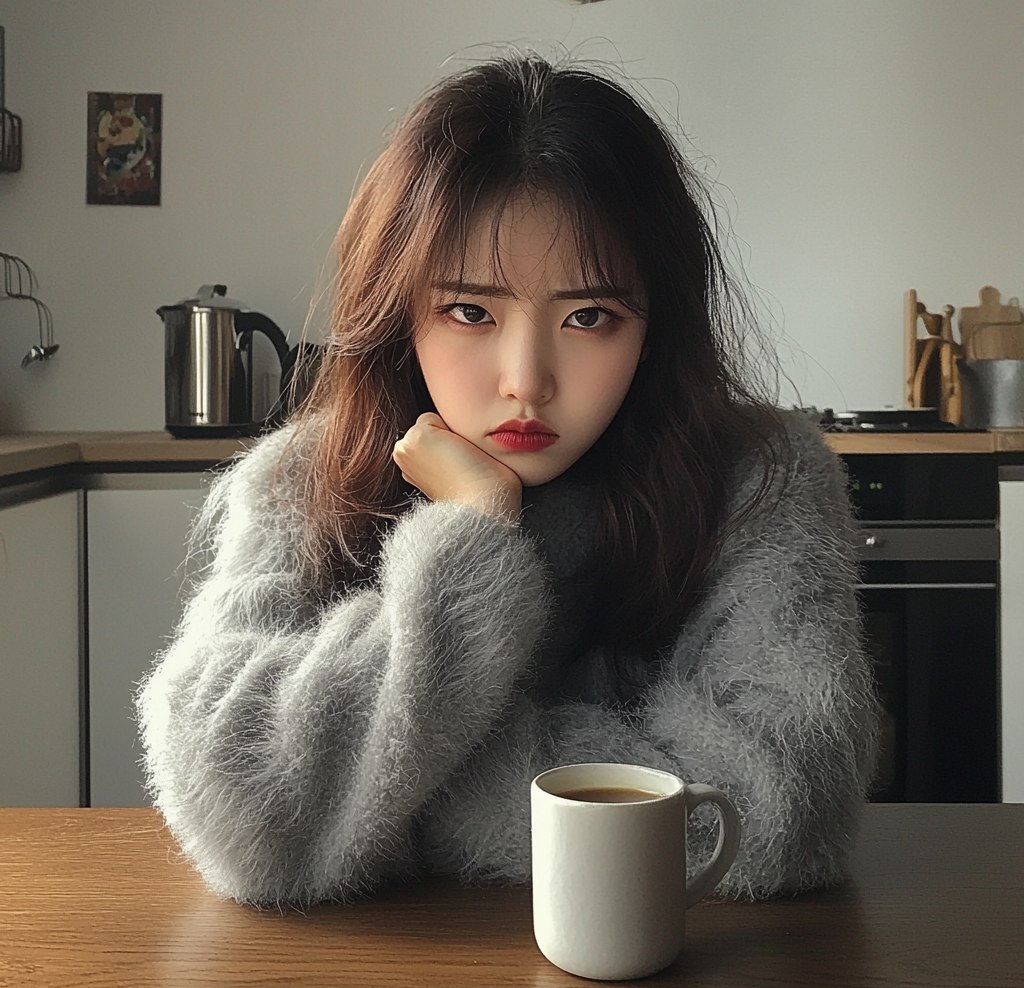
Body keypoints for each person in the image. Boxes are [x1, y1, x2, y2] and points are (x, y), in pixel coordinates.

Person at [136, 54, 881, 909]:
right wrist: (471, 541)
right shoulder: (300, 481)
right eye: (471, 312)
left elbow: (790, 808)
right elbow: (240, 811)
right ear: (398, 311)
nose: (527, 380)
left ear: (654, 329)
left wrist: (377, 791)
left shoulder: (762, 478)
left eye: (589, 316)